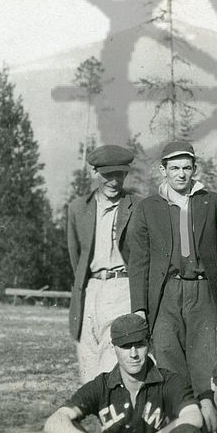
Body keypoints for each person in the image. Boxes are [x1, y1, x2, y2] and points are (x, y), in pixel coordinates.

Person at [43, 314, 205, 433]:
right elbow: (54, 422)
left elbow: (194, 417)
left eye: (140, 344)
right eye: (126, 346)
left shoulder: (169, 381)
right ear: (114, 348)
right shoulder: (102, 385)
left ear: (150, 343)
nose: (134, 354)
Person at [128, 140, 217, 394]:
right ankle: (179, 425)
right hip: (165, 295)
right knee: (168, 363)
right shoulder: (148, 208)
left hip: (203, 294)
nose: (181, 174)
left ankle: (208, 422)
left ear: (194, 169)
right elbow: (139, 262)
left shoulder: (212, 203)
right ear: (163, 170)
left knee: (207, 363)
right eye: (175, 168)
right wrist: (139, 308)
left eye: (187, 168)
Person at [66, 144, 143, 383]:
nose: (113, 181)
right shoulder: (78, 209)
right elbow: (75, 257)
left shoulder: (138, 206)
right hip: (89, 292)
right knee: (88, 360)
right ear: (94, 173)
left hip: (123, 289)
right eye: (107, 175)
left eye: (119, 174)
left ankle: (116, 414)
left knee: (114, 360)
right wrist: (86, 286)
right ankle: (98, 412)